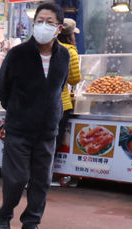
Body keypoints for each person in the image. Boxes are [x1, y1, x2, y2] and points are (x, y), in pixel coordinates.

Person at [0, 2, 69, 229]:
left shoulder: (64, 55)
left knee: (42, 181)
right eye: (40, 21)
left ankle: (31, 223)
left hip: (48, 130)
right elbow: (3, 89)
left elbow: (59, 87)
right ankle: (5, 216)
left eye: (49, 22)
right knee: (15, 179)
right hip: (19, 129)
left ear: (58, 28)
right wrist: (19, 111)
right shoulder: (17, 54)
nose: (43, 26)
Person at [57, 18, 81, 152]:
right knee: (54, 142)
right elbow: (74, 79)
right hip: (62, 104)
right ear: (69, 35)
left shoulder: (47, 47)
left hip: (41, 103)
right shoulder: (70, 51)